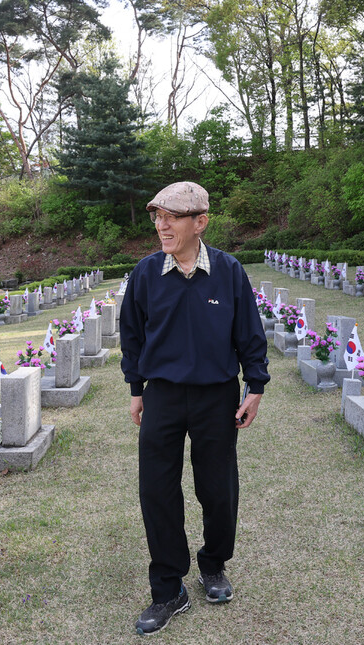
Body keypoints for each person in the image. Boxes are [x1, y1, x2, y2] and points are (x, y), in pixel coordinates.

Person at [119, 181, 270, 635]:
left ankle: (213, 565)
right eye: (157, 216)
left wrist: (255, 385)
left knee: (218, 489)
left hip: (216, 397)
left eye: (171, 216)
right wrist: (136, 388)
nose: (161, 225)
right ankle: (168, 588)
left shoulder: (228, 271)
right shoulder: (146, 274)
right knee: (157, 491)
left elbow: (248, 332)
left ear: (199, 222)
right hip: (162, 395)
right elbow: (132, 334)